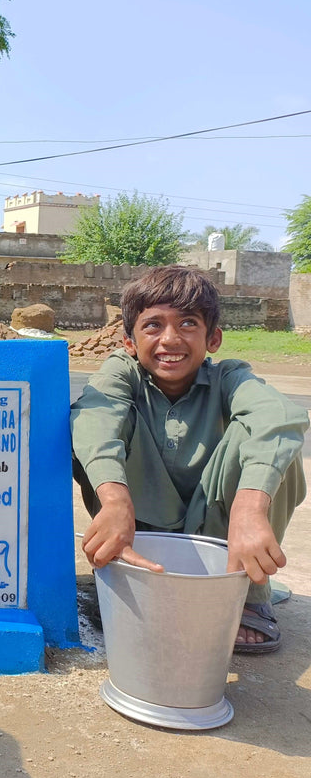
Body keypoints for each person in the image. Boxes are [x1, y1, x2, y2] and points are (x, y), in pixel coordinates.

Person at [71, 265, 308, 653]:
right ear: (129, 341)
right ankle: (126, 571)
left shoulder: (230, 378)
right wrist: (114, 500)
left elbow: (279, 416)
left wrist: (250, 508)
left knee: (272, 438)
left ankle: (247, 596)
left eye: (187, 324)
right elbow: (96, 418)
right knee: (86, 420)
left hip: (218, 539)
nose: (170, 339)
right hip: (140, 533)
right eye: (152, 326)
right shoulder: (121, 374)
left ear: (212, 338)